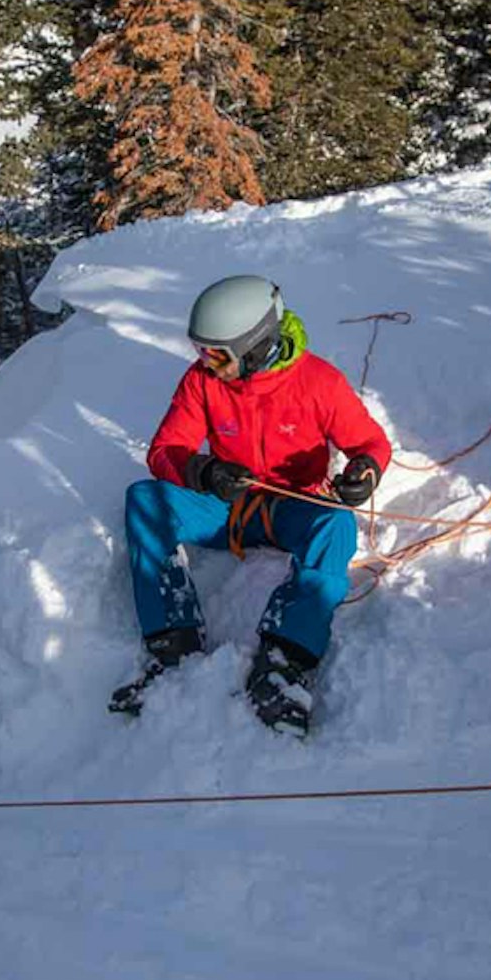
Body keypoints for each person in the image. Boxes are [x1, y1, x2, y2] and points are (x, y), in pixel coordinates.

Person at [115, 275, 393, 733]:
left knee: (337, 526)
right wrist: (200, 472)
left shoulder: (317, 382)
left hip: (294, 509)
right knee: (144, 499)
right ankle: (173, 644)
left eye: (217, 354)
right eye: (202, 351)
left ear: (256, 344)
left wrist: (363, 472)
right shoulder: (203, 382)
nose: (206, 362)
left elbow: (369, 442)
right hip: (229, 509)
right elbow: (165, 451)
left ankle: (284, 661)